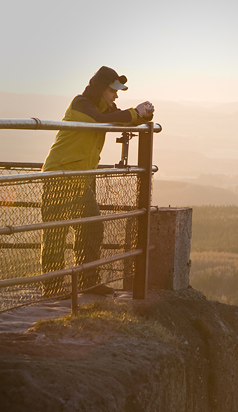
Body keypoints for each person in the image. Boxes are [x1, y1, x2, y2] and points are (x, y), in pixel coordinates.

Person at [41, 66, 154, 296]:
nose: (116, 95)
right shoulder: (81, 105)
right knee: (55, 234)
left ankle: (88, 281)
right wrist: (135, 112)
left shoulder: (101, 107)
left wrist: (144, 116)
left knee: (92, 228)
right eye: (113, 90)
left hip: (80, 180)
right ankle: (52, 288)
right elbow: (103, 120)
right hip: (59, 178)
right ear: (101, 88)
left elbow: (117, 118)